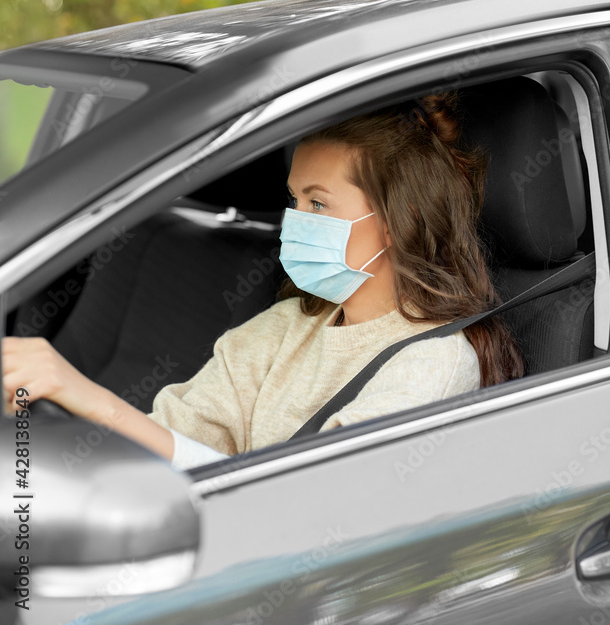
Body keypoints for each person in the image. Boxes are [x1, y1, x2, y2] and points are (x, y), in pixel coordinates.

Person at [2, 93, 523, 468]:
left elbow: (304, 508)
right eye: (294, 200)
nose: (295, 219)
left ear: (398, 216)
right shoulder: (285, 325)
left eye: (318, 202)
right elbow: (171, 439)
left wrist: (85, 395)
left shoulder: (433, 362)